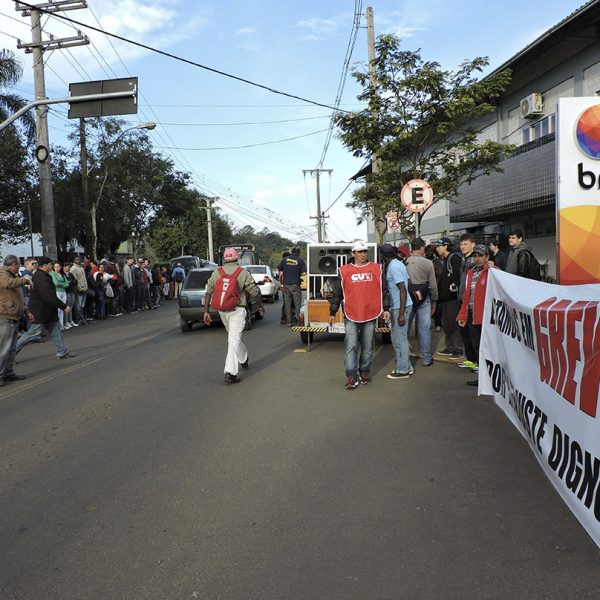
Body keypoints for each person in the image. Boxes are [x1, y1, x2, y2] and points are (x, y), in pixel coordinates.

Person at [328, 240, 390, 389]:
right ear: (353, 253)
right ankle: (351, 375)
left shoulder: (376, 269)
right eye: (360, 252)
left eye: (364, 251)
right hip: (351, 313)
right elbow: (338, 293)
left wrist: (386, 308)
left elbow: (384, 290)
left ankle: (365, 372)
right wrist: (332, 312)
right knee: (351, 345)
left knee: (368, 346)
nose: (363, 254)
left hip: (370, 313)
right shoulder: (344, 270)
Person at [203, 248, 264, 384]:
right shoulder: (242, 272)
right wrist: (260, 306)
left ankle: (233, 368)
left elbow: (208, 292)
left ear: (224, 259)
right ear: (237, 259)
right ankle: (238, 364)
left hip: (222, 311)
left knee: (233, 338)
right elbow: (254, 291)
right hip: (238, 310)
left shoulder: (217, 272)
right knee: (234, 339)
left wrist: (206, 311)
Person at [15, 257, 75, 360]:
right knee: (32, 334)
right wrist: (63, 306)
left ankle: (62, 352)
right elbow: (48, 296)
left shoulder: (43, 276)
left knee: (56, 331)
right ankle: (9, 354)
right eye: (50, 265)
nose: (51, 267)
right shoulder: (40, 278)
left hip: (48, 311)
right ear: (45, 265)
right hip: (40, 311)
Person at [457, 245, 497, 386]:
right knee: (477, 347)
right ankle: (483, 379)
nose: (478, 259)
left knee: (489, 348)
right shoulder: (470, 273)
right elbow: (466, 296)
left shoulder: (492, 271)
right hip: (472, 316)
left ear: (487, 257)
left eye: (481, 255)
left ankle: (492, 380)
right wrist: (462, 315)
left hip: (488, 317)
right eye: (475, 256)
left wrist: (493, 268)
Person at [380, 243, 413, 379]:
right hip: (401, 306)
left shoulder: (393, 267)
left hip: (400, 307)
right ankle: (406, 366)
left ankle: (403, 370)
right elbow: (408, 283)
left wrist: (401, 314)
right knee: (396, 338)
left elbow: (403, 289)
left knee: (400, 340)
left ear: (383, 255)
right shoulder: (399, 263)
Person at [405, 238, 438, 367]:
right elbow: (433, 284)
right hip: (424, 298)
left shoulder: (404, 261)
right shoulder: (428, 263)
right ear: (422, 248)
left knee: (405, 329)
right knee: (425, 329)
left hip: (408, 297)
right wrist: (434, 300)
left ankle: (404, 356)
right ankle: (426, 358)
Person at [0, 255, 31, 386]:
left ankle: (8, 372)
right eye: (18, 264)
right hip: (5, 315)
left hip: (13, 315)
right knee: (3, 348)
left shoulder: (13, 276)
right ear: (13, 264)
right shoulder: (2, 274)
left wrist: (25, 310)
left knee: (11, 349)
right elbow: (6, 284)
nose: (19, 266)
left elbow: (18, 297)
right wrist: (25, 280)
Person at [434, 237, 463, 359]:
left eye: (439, 246)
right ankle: (450, 346)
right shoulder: (445, 259)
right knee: (447, 324)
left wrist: (455, 285)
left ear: (445, 246)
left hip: (452, 298)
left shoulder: (454, 258)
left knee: (454, 324)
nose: (437, 248)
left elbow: (459, 276)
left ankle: (458, 349)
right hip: (445, 298)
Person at [457, 233, 478, 370]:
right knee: (465, 331)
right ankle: (470, 359)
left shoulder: (474, 260)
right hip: (462, 300)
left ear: (473, 245)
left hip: (472, 302)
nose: (463, 247)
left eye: (466, 244)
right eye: (461, 244)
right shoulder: (463, 259)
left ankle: (477, 361)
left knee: (474, 333)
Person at [278, 247, 306, 326]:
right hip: (295, 285)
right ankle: (298, 321)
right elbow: (304, 273)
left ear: (291, 252)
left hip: (286, 285)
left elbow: (279, 268)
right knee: (297, 304)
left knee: (287, 304)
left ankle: (289, 322)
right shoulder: (301, 261)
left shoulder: (285, 259)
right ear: (299, 253)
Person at [50, 262, 70, 330]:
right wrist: (63, 284)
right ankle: (58, 325)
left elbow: (67, 284)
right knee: (58, 309)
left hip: (63, 292)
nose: (57, 268)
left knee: (63, 308)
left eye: (58, 267)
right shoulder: (52, 273)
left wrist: (61, 284)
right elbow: (55, 283)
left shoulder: (62, 274)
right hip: (57, 292)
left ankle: (61, 324)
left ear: (60, 267)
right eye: (55, 267)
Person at [70, 256, 88, 325]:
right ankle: (80, 319)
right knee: (78, 305)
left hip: (85, 288)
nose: (78, 260)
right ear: (74, 260)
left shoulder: (81, 267)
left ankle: (82, 318)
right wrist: (79, 289)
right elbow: (75, 280)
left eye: (79, 259)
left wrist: (86, 287)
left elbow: (84, 279)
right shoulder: (73, 269)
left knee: (82, 305)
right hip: (79, 289)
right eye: (76, 259)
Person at [278, 251, 291, 324]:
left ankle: (284, 318)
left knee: (286, 302)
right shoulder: (285, 265)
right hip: (286, 285)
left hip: (283, 286)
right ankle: (285, 317)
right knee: (288, 302)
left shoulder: (281, 265)